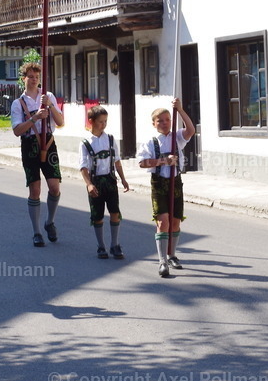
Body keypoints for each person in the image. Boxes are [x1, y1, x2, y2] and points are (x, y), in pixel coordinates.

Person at [137, 98, 195, 277]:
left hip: (175, 182)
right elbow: (142, 163)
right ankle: (162, 261)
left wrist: (180, 109)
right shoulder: (150, 142)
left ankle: (172, 255)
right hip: (159, 183)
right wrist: (163, 160)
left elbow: (191, 130)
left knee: (176, 221)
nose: (164, 123)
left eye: (167, 119)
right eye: (160, 120)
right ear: (154, 124)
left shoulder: (177, 137)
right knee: (163, 222)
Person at [10, 62, 65, 247]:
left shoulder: (47, 96)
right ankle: (36, 231)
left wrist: (50, 107)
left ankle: (50, 221)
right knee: (35, 189)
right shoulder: (18, 103)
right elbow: (17, 131)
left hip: (48, 142)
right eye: (31, 77)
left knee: (54, 186)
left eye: (37, 77)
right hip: (29, 145)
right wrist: (34, 117)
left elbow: (60, 122)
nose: (34, 80)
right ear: (23, 78)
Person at [79, 105, 130, 259]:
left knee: (115, 212)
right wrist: (89, 184)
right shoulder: (86, 143)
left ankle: (115, 245)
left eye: (105, 121)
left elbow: (117, 161)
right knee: (97, 215)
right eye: (101, 121)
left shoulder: (110, 139)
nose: (104, 124)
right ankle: (101, 246)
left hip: (110, 179)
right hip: (95, 181)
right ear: (91, 121)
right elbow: (83, 167)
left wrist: (123, 179)